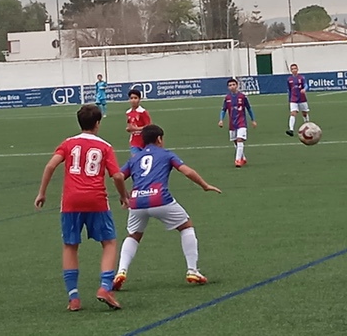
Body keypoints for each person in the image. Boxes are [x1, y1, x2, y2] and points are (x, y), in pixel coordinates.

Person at [34, 103, 130, 312]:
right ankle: (105, 287)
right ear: (97, 123)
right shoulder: (104, 146)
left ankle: (73, 298)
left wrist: (42, 192)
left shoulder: (68, 143)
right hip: (96, 200)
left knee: (70, 245)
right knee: (109, 242)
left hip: (71, 202)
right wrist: (124, 196)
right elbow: (117, 175)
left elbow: (50, 165)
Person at [113, 124, 221, 291]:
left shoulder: (134, 158)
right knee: (186, 226)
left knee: (133, 235)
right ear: (159, 139)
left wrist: (124, 196)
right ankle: (192, 270)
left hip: (136, 201)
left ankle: (121, 271)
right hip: (159, 198)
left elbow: (118, 176)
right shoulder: (166, 154)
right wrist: (205, 185)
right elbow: (187, 171)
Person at [218, 78, 257, 167]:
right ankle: (243, 158)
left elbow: (249, 109)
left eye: (233, 85)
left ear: (237, 85)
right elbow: (223, 110)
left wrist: (253, 120)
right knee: (236, 142)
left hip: (241, 123)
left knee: (240, 140)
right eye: (230, 85)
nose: (232, 87)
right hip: (232, 123)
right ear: (228, 87)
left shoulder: (242, 97)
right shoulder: (227, 98)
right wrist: (221, 120)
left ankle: (237, 160)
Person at [285, 63, 311, 136]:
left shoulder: (301, 78)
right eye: (292, 69)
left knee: (304, 113)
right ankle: (291, 130)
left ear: (297, 69)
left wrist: (304, 89)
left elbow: (306, 85)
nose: (294, 70)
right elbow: (289, 90)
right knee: (293, 113)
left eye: (295, 68)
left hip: (302, 98)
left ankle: (308, 126)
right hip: (293, 99)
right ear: (291, 70)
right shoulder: (289, 79)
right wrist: (289, 98)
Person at [125, 89, 152, 155]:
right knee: (135, 160)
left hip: (144, 141)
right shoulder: (128, 112)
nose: (133, 100)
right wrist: (128, 129)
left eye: (135, 98)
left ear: (139, 99)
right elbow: (129, 126)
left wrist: (135, 129)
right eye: (131, 98)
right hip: (134, 141)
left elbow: (149, 127)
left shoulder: (143, 112)